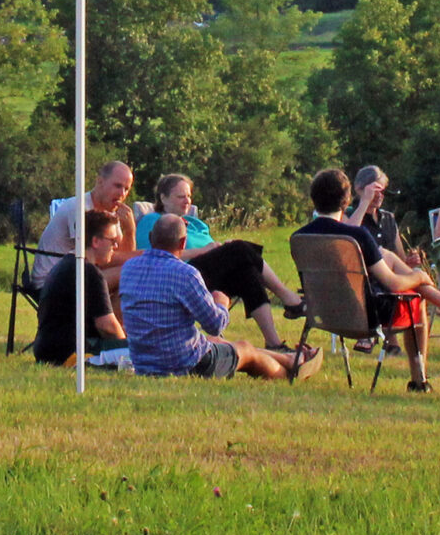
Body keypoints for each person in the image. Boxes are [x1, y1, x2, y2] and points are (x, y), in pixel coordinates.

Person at [296, 167, 440, 391]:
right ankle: (419, 381)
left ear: (313, 198)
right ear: (347, 200)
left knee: (391, 259)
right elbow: (392, 284)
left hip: (322, 312)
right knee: (414, 300)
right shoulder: (358, 235)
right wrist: (418, 276)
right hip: (363, 315)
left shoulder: (299, 236)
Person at [119, 214, 317, 382]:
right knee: (246, 351)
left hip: (144, 362)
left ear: (151, 237)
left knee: (215, 342)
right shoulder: (186, 274)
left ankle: (289, 358)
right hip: (185, 364)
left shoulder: (129, 269)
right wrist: (221, 303)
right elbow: (215, 324)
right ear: (182, 243)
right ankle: (289, 371)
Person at [152, 172, 306, 348]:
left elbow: (212, 253)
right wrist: (204, 251)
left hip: (209, 277)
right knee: (239, 248)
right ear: (163, 198)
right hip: (182, 276)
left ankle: (273, 343)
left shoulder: (196, 224)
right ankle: (287, 297)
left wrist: (221, 250)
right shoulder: (155, 221)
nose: (187, 200)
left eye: (189, 196)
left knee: (247, 273)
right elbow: (153, 254)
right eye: (181, 196)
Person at [31, 211, 127, 367]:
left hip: (47, 350)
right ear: (95, 241)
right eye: (112, 241)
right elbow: (107, 327)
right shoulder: (89, 272)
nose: (115, 247)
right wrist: (124, 346)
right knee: (138, 352)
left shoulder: (64, 265)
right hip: (71, 355)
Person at [34, 160, 142, 295]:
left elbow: (121, 254)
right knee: (132, 271)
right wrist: (145, 257)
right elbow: (99, 258)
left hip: (82, 274)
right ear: (100, 182)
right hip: (52, 281)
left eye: (126, 189)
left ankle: (107, 317)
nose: (122, 194)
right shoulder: (79, 207)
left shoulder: (111, 213)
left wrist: (130, 230)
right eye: (117, 186)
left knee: (129, 285)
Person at [348, 165, 404, 257]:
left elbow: (401, 257)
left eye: (382, 191)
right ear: (359, 190)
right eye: (374, 191)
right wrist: (365, 201)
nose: (379, 196)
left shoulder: (388, 218)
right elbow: (348, 238)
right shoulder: (349, 215)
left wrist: (411, 262)